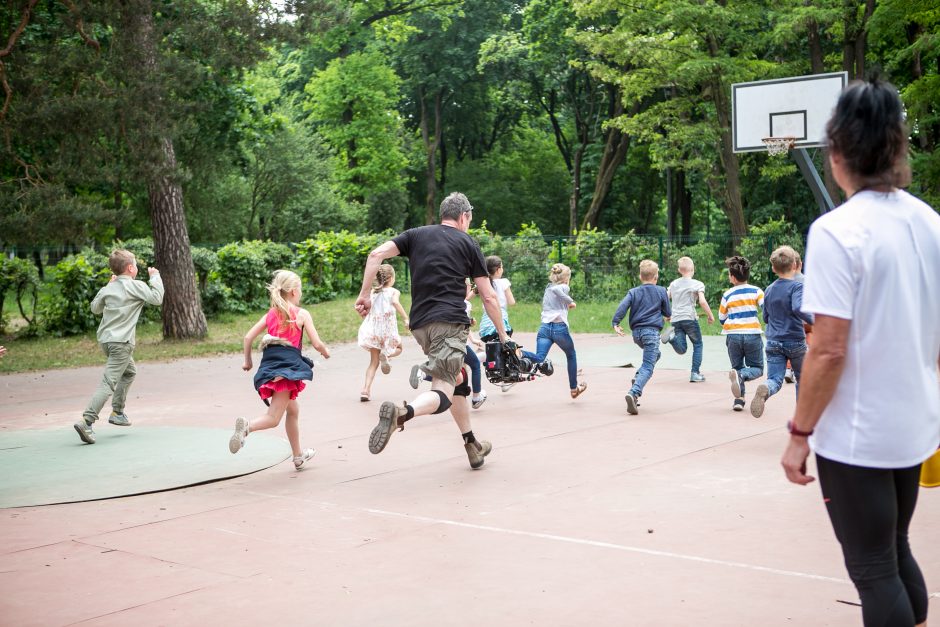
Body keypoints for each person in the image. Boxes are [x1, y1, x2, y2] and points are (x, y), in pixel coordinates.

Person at [781, 79, 940, 627]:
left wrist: (799, 435)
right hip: (914, 423)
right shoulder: (928, 221)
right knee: (894, 548)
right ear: (897, 148)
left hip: (857, 434)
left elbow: (826, 351)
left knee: (873, 567)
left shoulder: (835, 231)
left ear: (837, 153)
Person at [355, 192, 509, 470]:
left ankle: (471, 445)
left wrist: (365, 295)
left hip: (419, 325)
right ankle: (402, 413)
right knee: (443, 389)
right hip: (449, 323)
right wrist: (504, 336)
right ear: (463, 217)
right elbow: (488, 297)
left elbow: (376, 254)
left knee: (459, 379)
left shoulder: (415, 235)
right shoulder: (468, 242)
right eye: (469, 221)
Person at [230, 270, 331, 470]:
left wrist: (247, 362)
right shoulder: (301, 314)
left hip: (271, 366)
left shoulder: (271, 314)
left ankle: (298, 456)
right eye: (300, 289)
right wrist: (325, 352)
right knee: (273, 418)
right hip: (286, 371)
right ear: (293, 291)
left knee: (293, 409)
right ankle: (246, 428)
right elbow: (317, 343)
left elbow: (248, 337)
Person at [74, 249, 164, 445]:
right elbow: (157, 298)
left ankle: (117, 412)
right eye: (136, 265)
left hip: (106, 342)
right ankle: (87, 421)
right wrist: (155, 277)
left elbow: (95, 308)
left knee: (130, 372)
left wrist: (107, 286)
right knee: (108, 382)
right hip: (121, 343)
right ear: (131, 268)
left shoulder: (109, 288)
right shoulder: (136, 286)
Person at [750, 246, 813, 418]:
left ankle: (767, 389)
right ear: (795, 264)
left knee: (776, 379)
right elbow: (798, 308)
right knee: (802, 378)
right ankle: (802, 416)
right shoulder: (796, 287)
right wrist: (814, 321)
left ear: (773, 268)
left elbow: (765, 317)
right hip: (794, 340)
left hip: (773, 342)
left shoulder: (769, 289)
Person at [410, 280, 489, 409]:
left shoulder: (443, 299)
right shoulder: (464, 304)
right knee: (474, 364)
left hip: (437, 335)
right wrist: (471, 331)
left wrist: (472, 337)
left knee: (452, 373)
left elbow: (462, 323)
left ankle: (423, 374)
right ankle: (476, 396)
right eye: (469, 286)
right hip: (456, 342)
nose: (471, 288)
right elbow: (461, 325)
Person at [612, 259, 670, 414]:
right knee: (648, 367)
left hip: (637, 334)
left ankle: (638, 377)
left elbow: (622, 306)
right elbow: (668, 312)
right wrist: (667, 316)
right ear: (656, 276)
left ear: (640, 276)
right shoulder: (661, 291)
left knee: (655, 354)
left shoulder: (634, 292)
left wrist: (616, 323)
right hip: (651, 333)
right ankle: (634, 392)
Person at [475, 255, 536, 392]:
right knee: (509, 349)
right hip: (499, 321)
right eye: (502, 266)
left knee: (493, 349)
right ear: (498, 269)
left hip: (485, 325)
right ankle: (507, 379)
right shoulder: (503, 282)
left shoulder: (483, 283)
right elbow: (511, 302)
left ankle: (503, 379)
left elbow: (469, 297)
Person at [525, 263, 583, 399]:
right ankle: (574, 388)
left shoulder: (548, 288)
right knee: (571, 355)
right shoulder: (563, 287)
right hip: (559, 329)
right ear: (566, 278)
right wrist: (571, 302)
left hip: (545, 328)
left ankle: (521, 353)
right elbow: (558, 291)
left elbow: (553, 294)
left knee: (540, 358)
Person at [719, 255, 764, 412]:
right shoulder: (756, 291)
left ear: (732, 277)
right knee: (757, 367)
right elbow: (765, 309)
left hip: (733, 336)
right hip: (752, 333)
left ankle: (739, 400)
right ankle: (740, 385)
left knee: (737, 368)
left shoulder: (727, 294)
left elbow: (721, 318)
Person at [357, 264, 408, 402]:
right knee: (399, 348)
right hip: (388, 330)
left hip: (374, 330)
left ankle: (365, 390)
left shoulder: (373, 292)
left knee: (373, 362)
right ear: (391, 278)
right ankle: (386, 355)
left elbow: (364, 307)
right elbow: (396, 303)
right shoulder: (394, 291)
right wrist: (405, 318)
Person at [661, 256, 715, 382]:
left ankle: (672, 338)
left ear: (679, 270)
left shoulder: (673, 284)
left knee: (682, 349)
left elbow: (665, 299)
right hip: (689, 319)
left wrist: (666, 314)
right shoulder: (697, 284)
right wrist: (710, 315)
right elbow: (702, 301)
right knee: (698, 344)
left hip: (676, 319)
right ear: (693, 269)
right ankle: (695, 373)